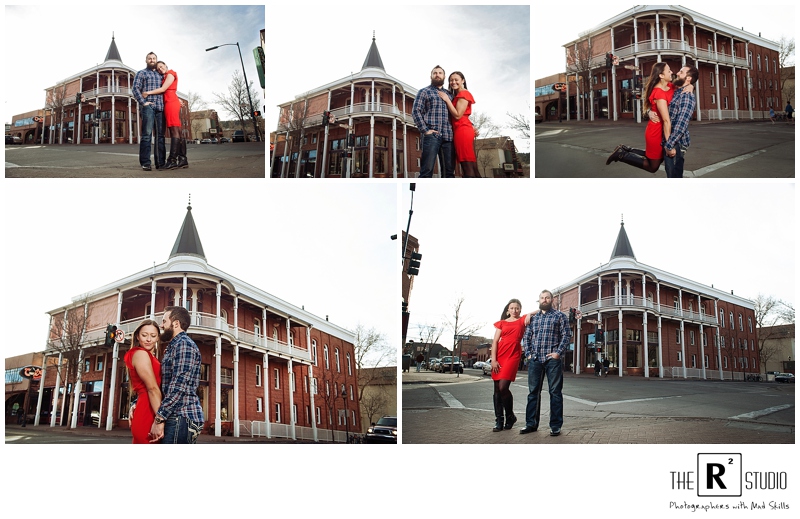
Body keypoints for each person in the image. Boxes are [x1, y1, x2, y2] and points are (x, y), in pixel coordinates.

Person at [606, 62, 679, 173]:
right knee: (653, 166)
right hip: (656, 132)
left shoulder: (669, 86)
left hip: (661, 131)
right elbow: (665, 120)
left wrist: (650, 111)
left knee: (656, 158)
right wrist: (669, 145)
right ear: (661, 75)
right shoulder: (658, 92)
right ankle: (622, 155)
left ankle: (626, 149)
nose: (672, 72)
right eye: (668, 71)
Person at [149, 306, 204, 443]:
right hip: (176, 415)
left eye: (164, 321)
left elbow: (178, 386)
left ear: (176, 323)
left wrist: (160, 418)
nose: (161, 325)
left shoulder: (184, 345)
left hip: (182, 415)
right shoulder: (174, 346)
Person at [520, 290, 571, 436]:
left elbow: (566, 335)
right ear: (539, 300)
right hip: (535, 360)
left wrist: (558, 353)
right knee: (533, 393)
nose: (544, 300)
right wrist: (529, 354)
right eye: (542, 298)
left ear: (552, 299)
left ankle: (555, 426)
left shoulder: (559, 316)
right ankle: (531, 424)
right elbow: (527, 337)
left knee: (555, 393)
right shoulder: (533, 318)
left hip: (552, 360)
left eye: (547, 297)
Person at [411, 65, 455, 178]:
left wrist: (471, 125)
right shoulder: (424, 91)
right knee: (426, 171)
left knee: (449, 173)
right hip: (432, 136)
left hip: (448, 137)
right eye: (435, 73)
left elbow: (457, 113)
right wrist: (425, 130)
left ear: (444, 76)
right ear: (431, 76)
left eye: (440, 73)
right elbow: (416, 111)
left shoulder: (450, 95)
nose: (437, 75)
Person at [123, 319, 162, 444]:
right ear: (137, 337)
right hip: (148, 412)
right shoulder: (140, 354)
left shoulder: (150, 356)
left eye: (153, 335)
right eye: (144, 335)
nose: (148, 339)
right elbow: (152, 388)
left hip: (151, 406)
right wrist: (160, 419)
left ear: (157, 338)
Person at [143, 61, 188, 169]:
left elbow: (163, 89)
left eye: (161, 66)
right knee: (177, 131)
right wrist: (178, 98)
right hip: (170, 101)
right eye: (158, 68)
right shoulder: (165, 77)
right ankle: (183, 159)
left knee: (174, 131)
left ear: (166, 66)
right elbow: (170, 90)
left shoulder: (170, 73)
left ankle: (172, 160)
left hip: (171, 103)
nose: (160, 69)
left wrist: (147, 93)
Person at [490, 299, 526, 431]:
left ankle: (510, 416)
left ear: (520, 309)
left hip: (513, 355)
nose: (514, 310)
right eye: (512, 308)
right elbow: (494, 342)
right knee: (496, 390)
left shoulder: (523, 320)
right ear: (508, 310)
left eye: (517, 308)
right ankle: (499, 420)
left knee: (503, 387)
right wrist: (494, 360)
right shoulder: (502, 323)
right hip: (500, 355)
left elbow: (536, 312)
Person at [438, 72, 480, 178]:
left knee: (467, 167)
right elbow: (463, 115)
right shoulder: (457, 95)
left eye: (456, 79)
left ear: (463, 80)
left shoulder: (464, 94)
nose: (453, 82)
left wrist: (447, 100)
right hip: (463, 129)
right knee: (472, 166)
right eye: (451, 80)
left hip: (462, 130)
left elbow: (457, 115)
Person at [662, 65, 699, 179]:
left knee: (674, 177)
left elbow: (681, 124)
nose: (677, 73)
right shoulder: (676, 90)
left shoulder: (687, 97)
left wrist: (669, 145)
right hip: (668, 139)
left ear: (688, 78)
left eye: (681, 72)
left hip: (676, 143)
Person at [132, 52, 166, 171]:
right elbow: (135, 88)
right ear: (146, 60)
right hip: (148, 107)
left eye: (154, 58)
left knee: (160, 136)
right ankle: (146, 163)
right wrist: (143, 102)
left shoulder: (161, 75)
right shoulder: (141, 73)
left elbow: (167, 89)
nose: (152, 60)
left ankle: (161, 163)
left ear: (156, 60)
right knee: (147, 135)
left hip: (161, 107)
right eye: (149, 58)